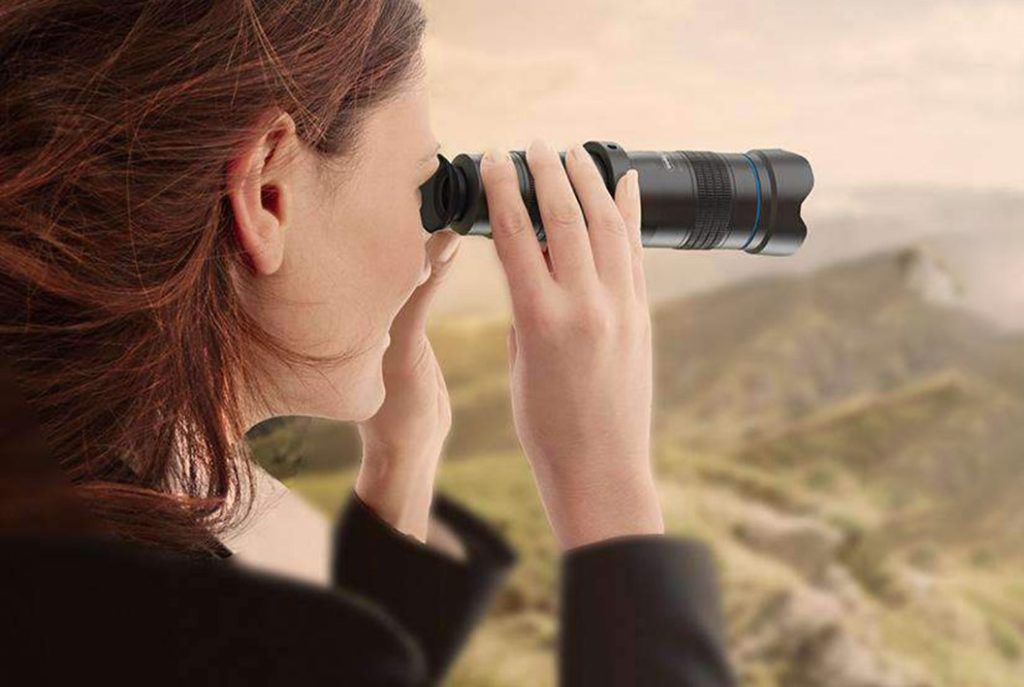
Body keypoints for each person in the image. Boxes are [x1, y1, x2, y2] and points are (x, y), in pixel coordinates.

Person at [0, 1, 735, 685]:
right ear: (265, 194)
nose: (431, 245)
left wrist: (402, 456)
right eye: (425, 186)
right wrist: (607, 489)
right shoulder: (249, 643)